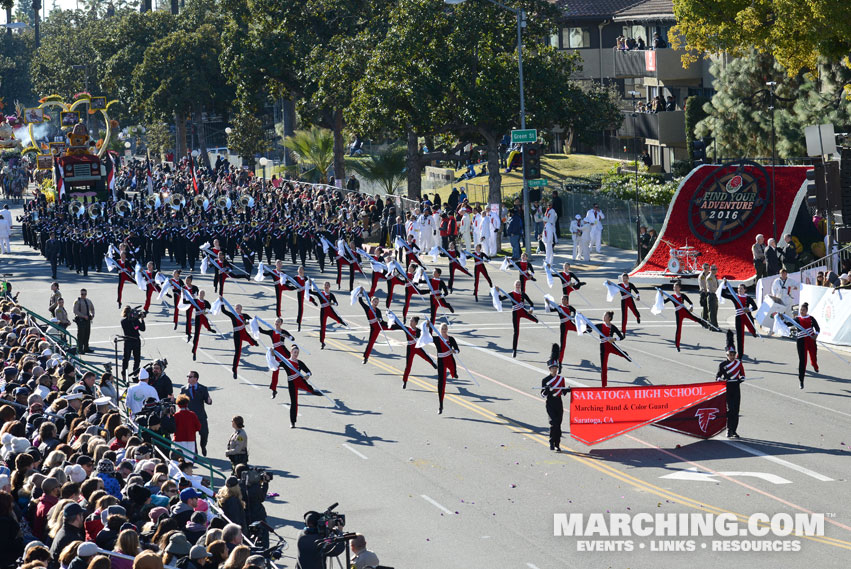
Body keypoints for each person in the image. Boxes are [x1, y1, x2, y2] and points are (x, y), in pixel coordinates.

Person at [282, 345, 321, 428]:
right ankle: (292, 422)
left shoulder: (299, 362)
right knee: (294, 402)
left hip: (300, 381)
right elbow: (275, 365)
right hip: (292, 384)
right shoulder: (286, 362)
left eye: (297, 353)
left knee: (310, 389)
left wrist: (307, 375)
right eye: (295, 352)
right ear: (291, 352)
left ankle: (313, 391)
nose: (296, 354)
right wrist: (271, 353)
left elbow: (308, 371)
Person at [498, 280, 538, 358]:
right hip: (515, 313)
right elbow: (501, 299)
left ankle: (535, 319)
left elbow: (531, 303)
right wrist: (498, 291)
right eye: (517, 284)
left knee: (536, 320)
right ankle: (514, 350)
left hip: (523, 311)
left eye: (519, 284)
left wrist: (531, 309)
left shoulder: (523, 294)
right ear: (514, 285)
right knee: (516, 332)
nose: (518, 285)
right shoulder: (511, 294)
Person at [716, 331, 745, 438]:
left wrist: (742, 378)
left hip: (736, 388)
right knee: (730, 410)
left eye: (733, 355)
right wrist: (720, 380)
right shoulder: (722, 365)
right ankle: (729, 429)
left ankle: (734, 430)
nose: (732, 357)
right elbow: (718, 376)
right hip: (727, 388)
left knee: (736, 410)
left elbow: (742, 374)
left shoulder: (738, 363)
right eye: (730, 355)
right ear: (726, 355)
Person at [541, 344, 570, 452]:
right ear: (549, 368)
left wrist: (566, 390)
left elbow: (561, 392)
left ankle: (557, 444)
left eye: (556, 368)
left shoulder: (561, 379)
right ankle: (551, 442)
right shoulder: (545, 380)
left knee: (558, 424)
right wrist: (547, 390)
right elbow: (543, 395)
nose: (555, 370)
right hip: (550, 403)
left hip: (559, 402)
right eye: (553, 368)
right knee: (553, 423)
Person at [220, 300, 258, 379]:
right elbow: (223, 311)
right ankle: (234, 370)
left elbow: (251, 321)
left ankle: (254, 343)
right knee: (238, 352)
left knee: (252, 341)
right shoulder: (233, 315)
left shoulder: (244, 315)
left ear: (241, 308)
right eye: (236, 308)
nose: (237, 309)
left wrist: (254, 319)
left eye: (238, 308)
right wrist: (221, 302)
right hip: (237, 335)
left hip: (244, 332)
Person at [721, 282, 758, 359]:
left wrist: (748, 309)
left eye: (741, 288)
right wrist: (724, 285)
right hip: (739, 318)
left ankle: (753, 332)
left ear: (745, 290)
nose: (739, 290)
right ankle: (740, 354)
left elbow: (755, 307)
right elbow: (723, 294)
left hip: (747, 317)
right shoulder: (735, 297)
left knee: (752, 329)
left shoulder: (748, 298)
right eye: (738, 288)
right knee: (740, 337)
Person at [180, 371, 212, 455]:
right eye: (188, 376)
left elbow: (207, 400)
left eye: (190, 377)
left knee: (204, 434)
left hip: (200, 417)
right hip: (189, 418)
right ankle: (195, 453)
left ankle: (203, 446)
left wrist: (209, 400)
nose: (188, 378)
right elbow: (180, 401)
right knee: (192, 437)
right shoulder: (184, 389)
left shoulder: (203, 388)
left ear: (196, 379)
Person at [664, 281, 702, 352]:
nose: (675, 288)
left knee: (694, 318)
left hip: (684, 311)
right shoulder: (672, 297)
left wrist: (691, 307)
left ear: (680, 288)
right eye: (674, 287)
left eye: (676, 287)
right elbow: (664, 302)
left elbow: (690, 302)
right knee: (678, 329)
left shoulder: (683, 295)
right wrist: (661, 294)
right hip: (678, 313)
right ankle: (677, 345)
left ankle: (703, 323)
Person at [793, 303, 819, 389]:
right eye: (801, 310)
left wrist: (816, 334)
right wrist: (781, 318)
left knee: (814, 356)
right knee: (803, 361)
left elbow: (817, 328)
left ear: (806, 311)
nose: (801, 311)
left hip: (811, 340)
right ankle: (801, 381)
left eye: (803, 310)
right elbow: (788, 323)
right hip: (801, 342)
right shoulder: (797, 319)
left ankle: (815, 365)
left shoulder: (811, 318)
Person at [120, 306, 146, 381]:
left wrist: (142, 319)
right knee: (126, 359)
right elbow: (129, 327)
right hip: (128, 341)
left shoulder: (135, 320)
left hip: (136, 341)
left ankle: (136, 373)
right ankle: (124, 374)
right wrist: (134, 320)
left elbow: (143, 329)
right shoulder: (124, 321)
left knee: (137, 358)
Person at [73, 288, 95, 354]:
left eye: (85, 294)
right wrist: (83, 316)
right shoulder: (77, 301)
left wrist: (92, 315)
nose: (83, 295)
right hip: (81, 320)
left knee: (87, 334)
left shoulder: (88, 301)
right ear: (80, 294)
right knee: (81, 335)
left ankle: (86, 347)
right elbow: (75, 311)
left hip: (87, 320)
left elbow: (92, 308)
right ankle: (80, 349)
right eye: (82, 294)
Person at [698, 264, 719, 328]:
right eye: (704, 268)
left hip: (708, 292)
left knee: (708, 309)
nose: (706, 269)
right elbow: (703, 286)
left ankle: (706, 321)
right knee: (705, 309)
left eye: (707, 268)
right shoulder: (702, 276)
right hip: (704, 293)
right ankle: (704, 322)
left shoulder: (710, 275)